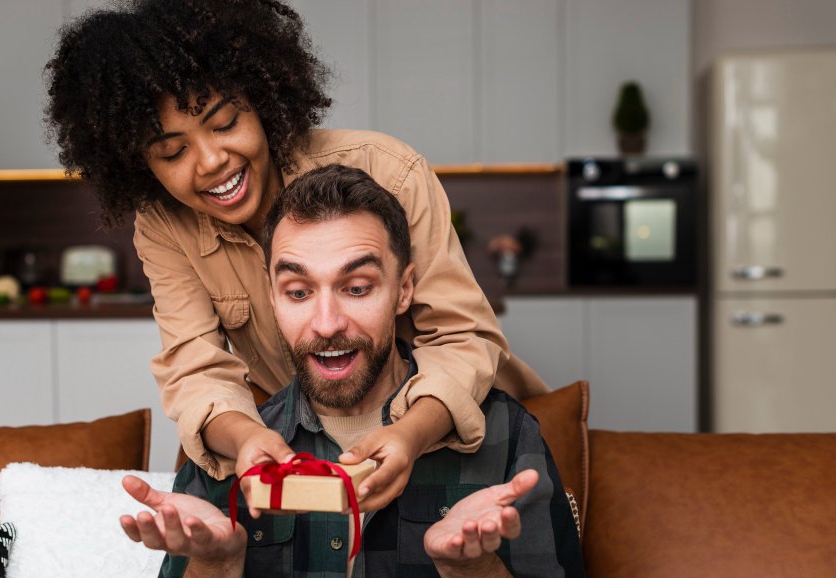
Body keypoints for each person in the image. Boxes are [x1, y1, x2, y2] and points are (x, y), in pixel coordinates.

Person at [45, 0, 550, 511]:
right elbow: (196, 370)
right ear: (139, 166)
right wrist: (244, 438)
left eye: (224, 123)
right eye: (173, 152)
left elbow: (462, 335)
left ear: (261, 100)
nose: (212, 160)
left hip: (458, 432)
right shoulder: (163, 225)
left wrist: (412, 433)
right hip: (311, 446)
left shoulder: (386, 170)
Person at [120, 165, 592, 578]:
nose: (326, 325)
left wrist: (473, 571)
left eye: (358, 287)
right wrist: (214, 566)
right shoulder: (234, 448)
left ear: (404, 290)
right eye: (298, 293)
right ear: (273, 297)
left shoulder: (503, 434)